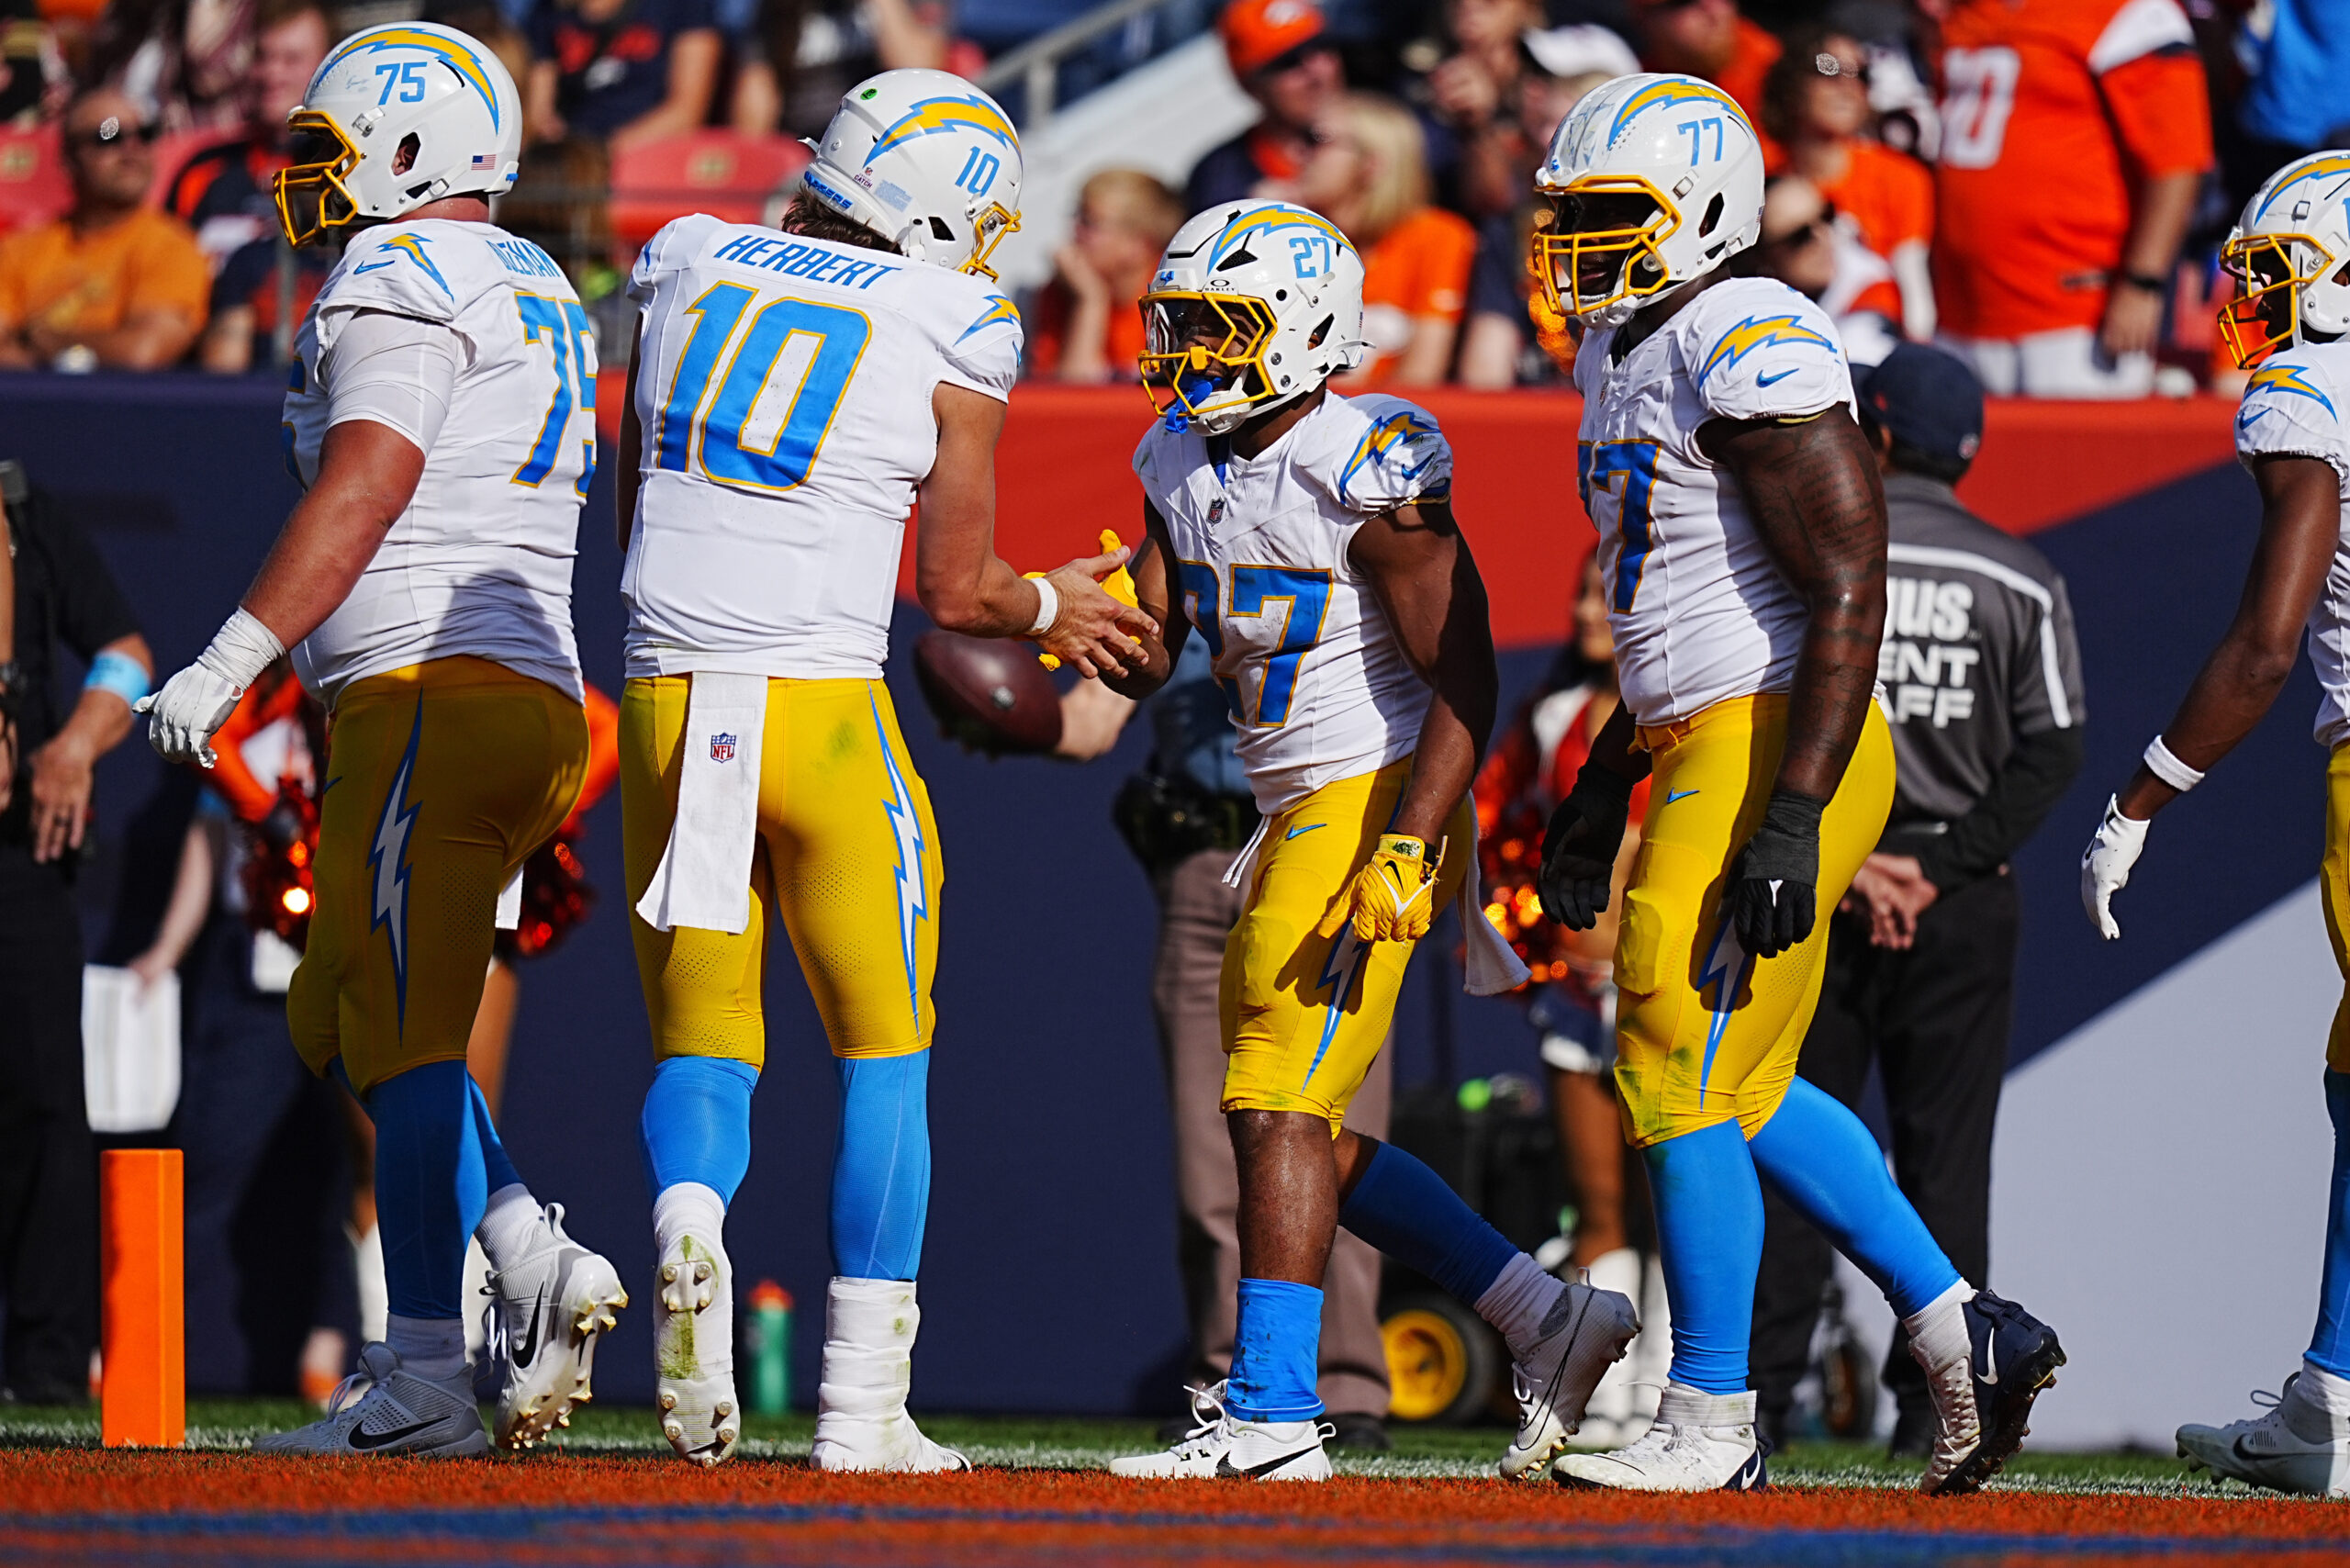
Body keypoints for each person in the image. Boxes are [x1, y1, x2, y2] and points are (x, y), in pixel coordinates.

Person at [1529, 72, 2062, 1494]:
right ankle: (1965, 1332)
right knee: (1743, 1080)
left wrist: (1790, 812)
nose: (1575, 246)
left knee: (1667, 1047)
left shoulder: (1746, 331)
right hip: (1701, 726)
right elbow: (1670, 611)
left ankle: (1711, 1415)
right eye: (1568, 216)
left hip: (1782, 735)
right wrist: (1599, 781)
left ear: (1703, 214)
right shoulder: (1623, 350)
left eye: (1609, 217)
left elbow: (1845, 586)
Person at [616, 69, 1151, 1471]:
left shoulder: (679, 257)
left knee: (703, 1040)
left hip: (670, 699)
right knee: (884, 1055)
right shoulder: (954, 314)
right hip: (823, 712)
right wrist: (1060, 607)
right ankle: (861, 1409)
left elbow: (638, 497)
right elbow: (962, 590)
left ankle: (686, 1222)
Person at [139, 21, 628, 1459]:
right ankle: (526, 1240)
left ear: (411, 156)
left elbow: (371, 479)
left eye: (332, 150)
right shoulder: (533, 273)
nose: (308, 181)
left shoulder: (395, 271)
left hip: (431, 689)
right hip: (517, 697)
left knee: (402, 1044)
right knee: (338, 1012)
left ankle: (423, 1375)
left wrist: (232, 661)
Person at [1105, 197, 1639, 1484]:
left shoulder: (1373, 462)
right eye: (1181, 325)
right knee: (1298, 1129)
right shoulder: (1177, 452)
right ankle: (1541, 1314)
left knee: (1277, 1103)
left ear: (1302, 331)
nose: (1190, 354)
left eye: (1220, 328)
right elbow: (1162, 634)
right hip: (1283, 808)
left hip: (1369, 793)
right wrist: (1079, 619)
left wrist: (1409, 845)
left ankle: (1276, 1411)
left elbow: (1465, 677)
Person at [1750, 342, 2085, 1458]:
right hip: (1959, 896)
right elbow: (2051, 748)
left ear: (1873, 433)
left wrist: (1865, 862)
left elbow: (1771, 701)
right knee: (1948, 1155)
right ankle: (1930, 1407)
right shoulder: (2021, 574)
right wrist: (1938, 869)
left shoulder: (1814, 549)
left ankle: (1758, 1398)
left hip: (1819, 870)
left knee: (1784, 1131)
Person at [2083, 151, 2350, 1497]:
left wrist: (2142, 797)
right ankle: (2332, 1390)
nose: (2254, 302)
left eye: (2280, 273)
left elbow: (2265, 640)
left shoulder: (2311, 390)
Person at [1055, 642, 1398, 1452]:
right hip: (1209, 868)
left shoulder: (1347, 538)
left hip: (1328, 866)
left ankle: (1344, 1386)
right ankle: (1229, 1379)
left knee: (1330, 1135)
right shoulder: (1174, 562)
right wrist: (1005, 695)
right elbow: (1086, 724)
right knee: (1212, 1156)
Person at [1471, 553, 1668, 1449]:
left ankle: (1671, 1394)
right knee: (1598, 1205)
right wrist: (1537, 948)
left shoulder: (1687, 711)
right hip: (1575, 1005)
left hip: (1668, 996)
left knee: (1670, 1199)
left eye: (1606, 593)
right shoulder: (1549, 719)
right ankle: (1604, 1396)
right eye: (1580, 590)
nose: (1587, 607)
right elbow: (1490, 830)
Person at [0, 457, 153, 1405]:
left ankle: (49, 1363)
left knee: (48, 1101)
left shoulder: (27, 510)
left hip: (21, 852)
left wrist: (71, 745)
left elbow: (125, 654)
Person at [1931, 0, 2210, 398]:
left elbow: (2178, 160)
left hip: (2073, 310)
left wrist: (2143, 280)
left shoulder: (2127, 12)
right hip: (1958, 308)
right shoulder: (1966, 13)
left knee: (2074, 457)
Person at [0, 87, 208, 371]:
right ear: (68, 160)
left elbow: (143, 353)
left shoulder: (172, 246)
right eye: (109, 136)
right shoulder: (19, 249)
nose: (131, 150)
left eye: (145, 134)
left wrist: (43, 340)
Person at [1758, 30, 1932, 344]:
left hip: (1880, 349)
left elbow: (1916, 296)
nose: (1847, 86)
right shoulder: (1764, 185)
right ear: (1792, 83)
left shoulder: (1900, 176)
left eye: (1860, 74)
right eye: (1828, 68)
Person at [1293, 92, 1475, 388]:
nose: (1299, 153)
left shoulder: (1437, 236)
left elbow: (1421, 377)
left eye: (1317, 139)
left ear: (1371, 164)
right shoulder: (1295, 242)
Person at [163, 0, 332, 269]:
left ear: (328, 67)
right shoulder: (205, 169)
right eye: (261, 57)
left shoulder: (344, 169)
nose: (272, 74)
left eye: (292, 60)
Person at [1025, 169, 1185, 384]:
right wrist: (1090, 301)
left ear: (1139, 244)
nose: (1075, 230)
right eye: (1076, 215)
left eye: (1090, 222)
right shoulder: (1063, 292)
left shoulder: (1177, 300)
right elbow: (1068, 400)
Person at [1183, 0, 1343, 214]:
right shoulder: (1222, 176)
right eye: (1289, 62)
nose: (1317, 72)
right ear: (1251, 85)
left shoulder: (1388, 116)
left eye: (1322, 47)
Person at [727, 0, 947, 140]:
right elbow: (751, 125)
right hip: (805, 148)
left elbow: (920, 72)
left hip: (881, 136)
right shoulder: (779, 10)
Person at [527, 0, 722, 151]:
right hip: (575, 161)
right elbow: (538, 111)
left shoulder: (682, 6)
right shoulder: (549, 9)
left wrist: (606, 151)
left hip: (650, 156)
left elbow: (687, 111)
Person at [1623, 0, 1778, 132]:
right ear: (1644, 18)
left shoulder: (1775, 65)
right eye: (1686, 2)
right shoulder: (1629, 86)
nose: (1714, 11)